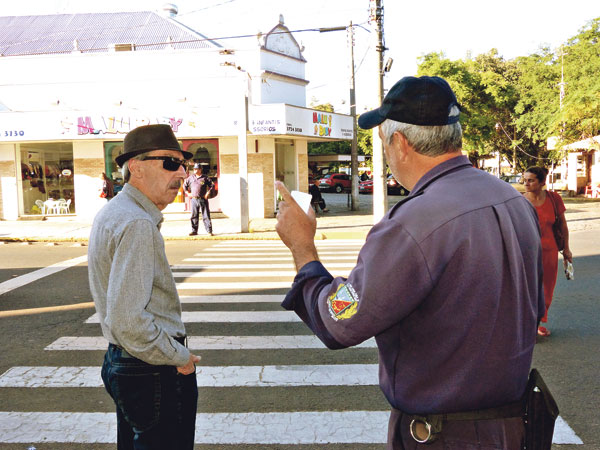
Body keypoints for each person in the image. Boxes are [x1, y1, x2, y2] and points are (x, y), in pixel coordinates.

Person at [274, 76, 544, 448]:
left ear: (399, 143)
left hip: (445, 435)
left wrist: (303, 248)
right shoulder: (512, 200)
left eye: (383, 141)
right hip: (512, 428)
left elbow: (340, 318)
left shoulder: (414, 222)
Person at [88, 124, 201, 450]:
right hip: (151, 368)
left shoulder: (116, 211)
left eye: (183, 164)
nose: (181, 173)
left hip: (125, 361)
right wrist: (179, 357)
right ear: (136, 167)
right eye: (170, 163)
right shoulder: (137, 223)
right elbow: (128, 320)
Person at [523, 166, 573, 337]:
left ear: (542, 182)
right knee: (528, 288)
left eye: (530, 180)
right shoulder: (520, 200)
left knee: (546, 289)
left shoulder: (553, 198)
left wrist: (566, 248)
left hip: (549, 250)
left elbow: (562, 225)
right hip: (526, 251)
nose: (526, 184)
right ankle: (529, 325)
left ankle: (538, 321)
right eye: (525, 180)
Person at [184, 163, 214, 236]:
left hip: (203, 199)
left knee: (206, 215)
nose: (194, 170)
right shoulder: (190, 178)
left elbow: (212, 185)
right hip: (194, 200)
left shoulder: (205, 178)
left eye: (196, 169)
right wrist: (187, 193)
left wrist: (208, 193)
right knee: (194, 215)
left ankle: (209, 231)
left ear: (200, 169)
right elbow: (184, 185)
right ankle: (194, 231)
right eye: (194, 169)